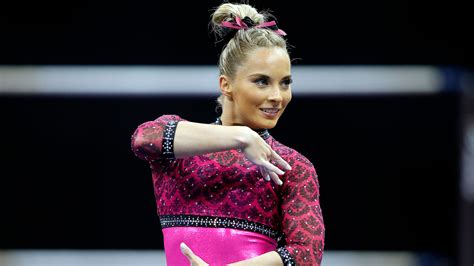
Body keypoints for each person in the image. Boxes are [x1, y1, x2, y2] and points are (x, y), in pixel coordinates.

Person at [130, 3, 325, 265]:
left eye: (285, 83)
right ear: (226, 84)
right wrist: (241, 137)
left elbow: (306, 254)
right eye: (262, 81)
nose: (277, 96)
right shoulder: (182, 149)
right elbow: (143, 139)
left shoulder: (290, 166)